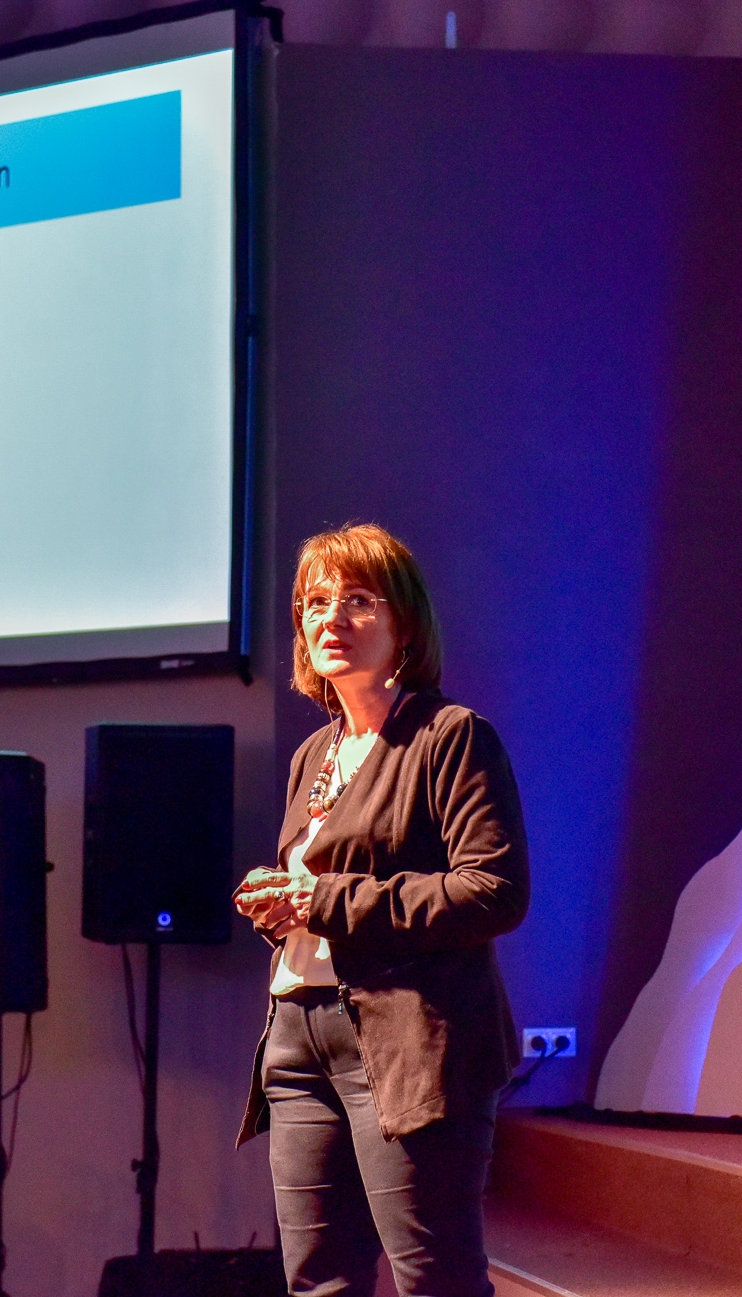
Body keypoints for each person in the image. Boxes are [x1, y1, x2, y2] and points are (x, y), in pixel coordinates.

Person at [233, 523, 528, 1297]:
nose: (332, 617)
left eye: (359, 600)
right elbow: (328, 898)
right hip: (297, 1035)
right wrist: (283, 905)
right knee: (318, 1283)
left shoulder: (449, 736)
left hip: (407, 1042)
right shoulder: (315, 754)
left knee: (436, 1281)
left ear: (405, 624)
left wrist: (323, 898)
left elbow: (493, 888)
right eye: (315, 601)